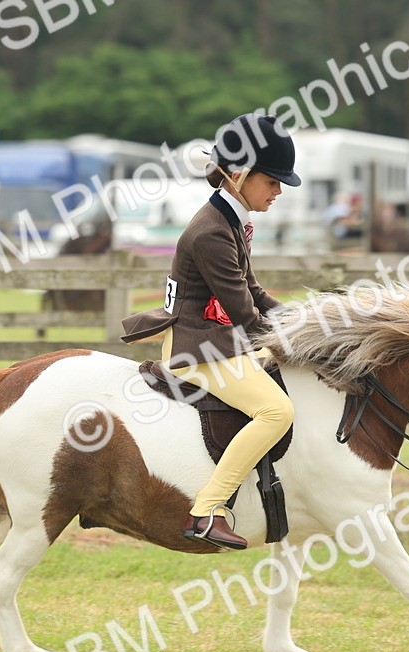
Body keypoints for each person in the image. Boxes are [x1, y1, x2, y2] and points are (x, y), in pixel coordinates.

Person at [121, 113, 301, 550]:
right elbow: (244, 313)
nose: (278, 191)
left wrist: (305, 322)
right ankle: (206, 511)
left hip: (217, 340)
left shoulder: (231, 220)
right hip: (197, 348)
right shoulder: (210, 233)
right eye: (272, 182)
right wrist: (293, 343)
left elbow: (253, 290)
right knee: (277, 412)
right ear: (239, 176)